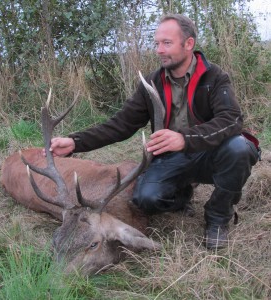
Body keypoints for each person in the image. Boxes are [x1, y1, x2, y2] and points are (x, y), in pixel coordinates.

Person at [48, 14, 259, 249]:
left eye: (166, 43)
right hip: (172, 158)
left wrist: (184, 138)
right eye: (157, 43)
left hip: (210, 152)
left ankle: (219, 216)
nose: (159, 50)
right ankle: (181, 195)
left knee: (239, 148)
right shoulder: (152, 83)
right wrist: (76, 142)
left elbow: (231, 120)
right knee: (145, 199)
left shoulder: (214, 77)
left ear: (188, 44)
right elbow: (121, 124)